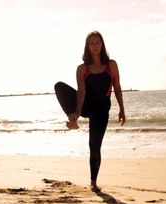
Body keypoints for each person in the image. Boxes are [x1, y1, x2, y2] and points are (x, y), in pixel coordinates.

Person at [54, 31, 126, 192]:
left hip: (101, 110)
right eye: (91, 43)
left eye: (97, 42)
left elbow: (118, 88)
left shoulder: (111, 65)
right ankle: (72, 120)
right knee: (59, 86)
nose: (95, 45)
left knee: (94, 146)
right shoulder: (82, 68)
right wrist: (77, 112)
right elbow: (81, 92)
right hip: (87, 106)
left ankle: (93, 181)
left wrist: (122, 109)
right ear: (87, 46)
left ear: (102, 45)